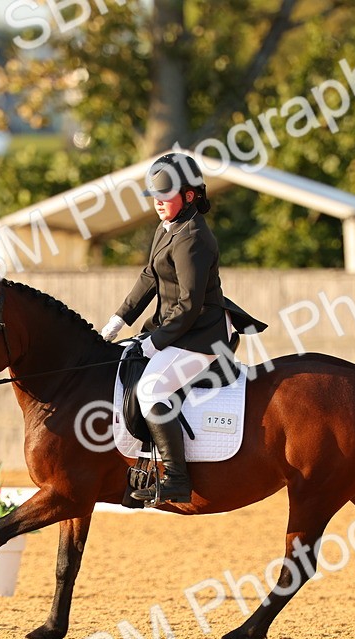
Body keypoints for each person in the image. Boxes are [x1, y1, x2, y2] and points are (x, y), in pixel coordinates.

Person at [99, 153, 265, 505]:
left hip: (200, 337)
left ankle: (175, 476)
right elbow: (149, 276)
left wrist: (153, 343)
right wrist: (119, 319)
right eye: (155, 197)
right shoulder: (167, 228)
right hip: (177, 329)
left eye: (166, 195)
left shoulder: (193, 238)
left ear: (189, 196)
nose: (158, 203)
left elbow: (189, 305)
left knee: (152, 390)